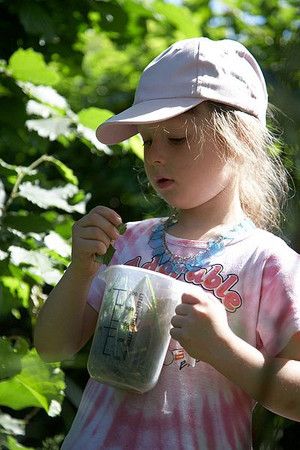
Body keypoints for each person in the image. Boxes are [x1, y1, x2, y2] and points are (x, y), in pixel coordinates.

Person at [34, 37, 300, 449]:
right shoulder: (128, 242)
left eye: (175, 139)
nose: (155, 156)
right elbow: (53, 346)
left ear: (239, 141)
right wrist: (79, 270)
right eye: (147, 141)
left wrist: (223, 348)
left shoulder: (266, 262)